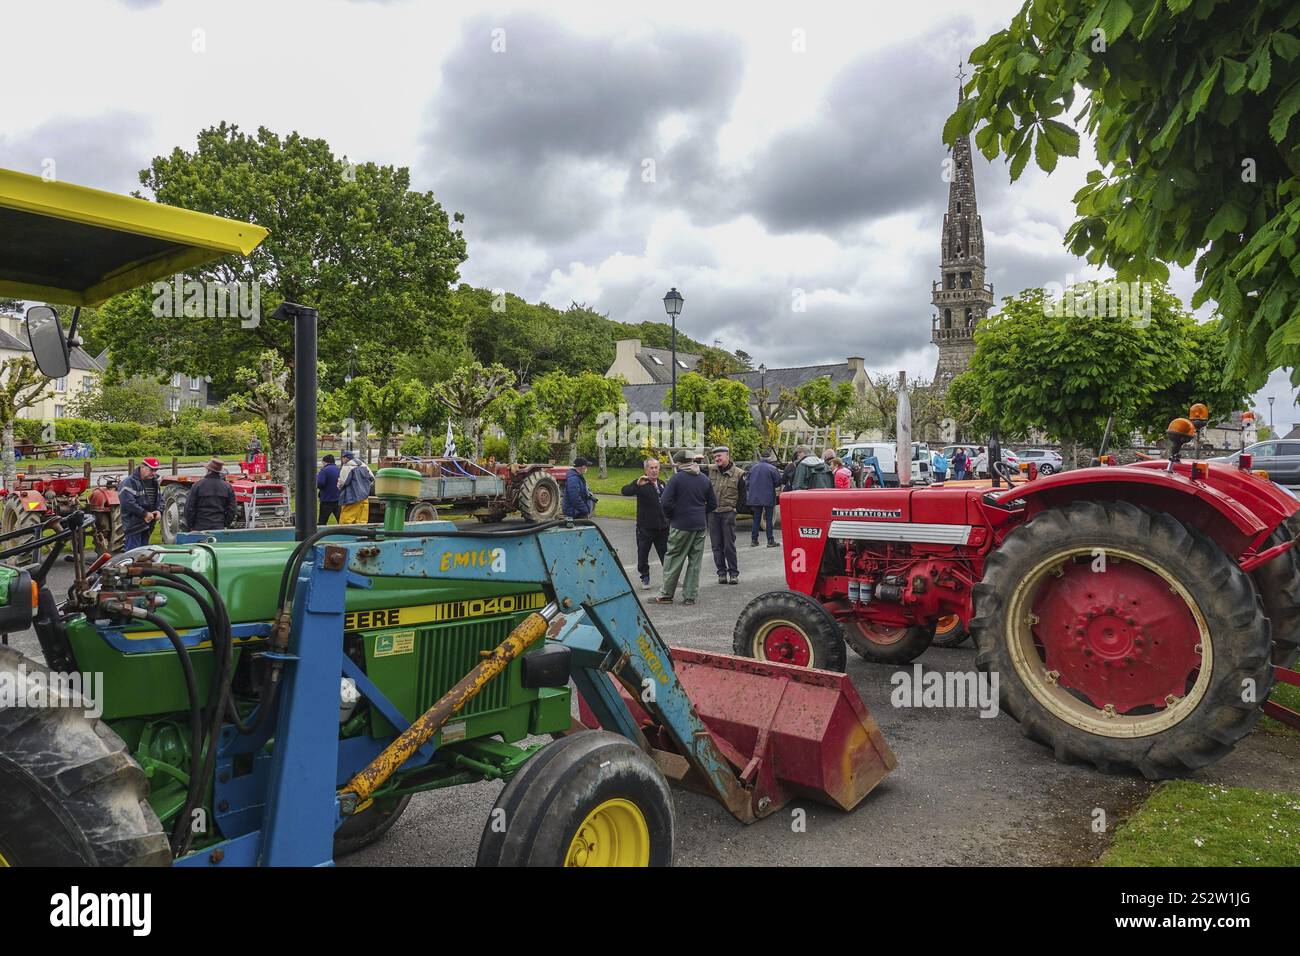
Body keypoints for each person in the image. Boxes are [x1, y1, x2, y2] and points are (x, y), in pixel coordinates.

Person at [655, 451, 717, 606]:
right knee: (695, 562)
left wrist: (671, 516)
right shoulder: (704, 479)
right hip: (700, 525)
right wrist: (700, 513)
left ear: (679, 463)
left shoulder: (677, 479)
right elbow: (713, 504)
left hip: (681, 524)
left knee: (674, 559)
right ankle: (690, 596)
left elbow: (665, 502)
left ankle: (666, 594)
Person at [621, 457, 668, 589]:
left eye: (656, 468)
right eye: (651, 468)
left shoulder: (662, 484)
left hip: (662, 527)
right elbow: (625, 491)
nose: (654, 470)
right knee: (643, 553)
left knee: (666, 554)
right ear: (646, 469)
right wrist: (636, 484)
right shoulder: (641, 483)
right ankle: (645, 577)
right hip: (645, 527)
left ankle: (669, 578)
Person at [706, 446, 743, 585]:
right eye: (715, 457)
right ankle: (721, 573)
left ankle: (733, 573)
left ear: (727, 456)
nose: (717, 459)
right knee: (716, 546)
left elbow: (743, 495)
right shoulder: (710, 470)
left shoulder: (739, 474)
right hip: (713, 513)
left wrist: (735, 509)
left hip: (728, 513)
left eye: (719, 456)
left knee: (729, 545)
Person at [119, 457, 163, 550]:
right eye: (151, 470)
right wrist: (144, 513)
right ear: (142, 467)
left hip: (148, 524)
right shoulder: (129, 482)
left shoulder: (155, 482)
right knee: (132, 554)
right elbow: (128, 503)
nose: (154, 473)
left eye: (156, 470)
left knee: (143, 554)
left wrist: (159, 511)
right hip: (133, 524)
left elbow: (160, 499)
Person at [184, 457, 237, 532]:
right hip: (218, 526)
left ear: (208, 470)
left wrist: (191, 525)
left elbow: (189, 508)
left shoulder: (197, 485)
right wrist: (225, 524)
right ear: (219, 472)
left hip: (199, 526)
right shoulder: (227, 487)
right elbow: (232, 509)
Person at [746, 450, 781, 548]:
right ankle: (770, 541)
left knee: (756, 518)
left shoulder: (753, 468)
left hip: (755, 497)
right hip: (768, 497)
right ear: (769, 458)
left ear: (761, 457)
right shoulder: (772, 468)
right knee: (769, 519)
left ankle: (754, 540)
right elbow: (778, 482)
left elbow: (747, 483)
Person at [337, 449, 374, 524]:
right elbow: (372, 478)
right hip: (364, 497)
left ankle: (345, 535)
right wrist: (366, 488)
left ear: (346, 458)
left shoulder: (347, 467)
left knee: (347, 519)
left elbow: (342, 482)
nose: (342, 460)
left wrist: (339, 487)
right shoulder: (363, 465)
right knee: (362, 520)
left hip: (352, 497)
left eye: (342, 458)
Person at [316, 453, 341, 525]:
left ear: (325, 461)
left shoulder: (324, 470)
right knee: (340, 519)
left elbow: (320, 483)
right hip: (337, 499)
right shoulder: (339, 469)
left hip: (326, 499)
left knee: (322, 521)